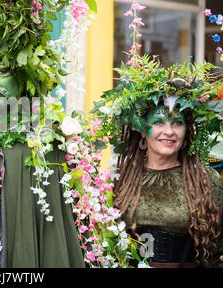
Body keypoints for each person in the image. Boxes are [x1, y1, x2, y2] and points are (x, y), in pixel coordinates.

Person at [95, 58, 223, 268]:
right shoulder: (119, 180)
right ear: (143, 130)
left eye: (177, 123)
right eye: (158, 122)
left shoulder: (207, 180)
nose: (169, 132)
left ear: (186, 131)